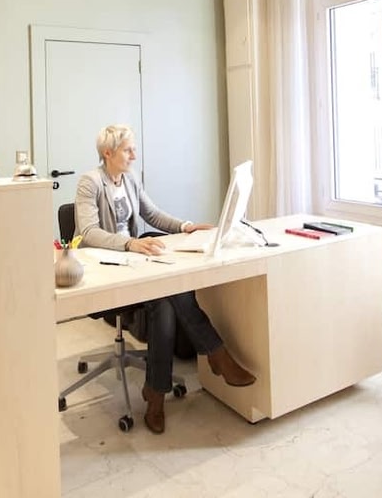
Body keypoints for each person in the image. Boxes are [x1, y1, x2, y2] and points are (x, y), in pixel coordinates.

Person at [75, 124, 256, 434]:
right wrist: (130, 244)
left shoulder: (130, 179)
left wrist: (186, 226)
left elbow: (152, 214)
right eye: (128, 150)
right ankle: (215, 354)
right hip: (109, 266)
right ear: (108, 153)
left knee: (165, 299)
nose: (134, 155)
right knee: (167, 296)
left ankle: (156, 394)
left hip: (134, 261)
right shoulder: (90, 183)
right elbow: (89, 233)